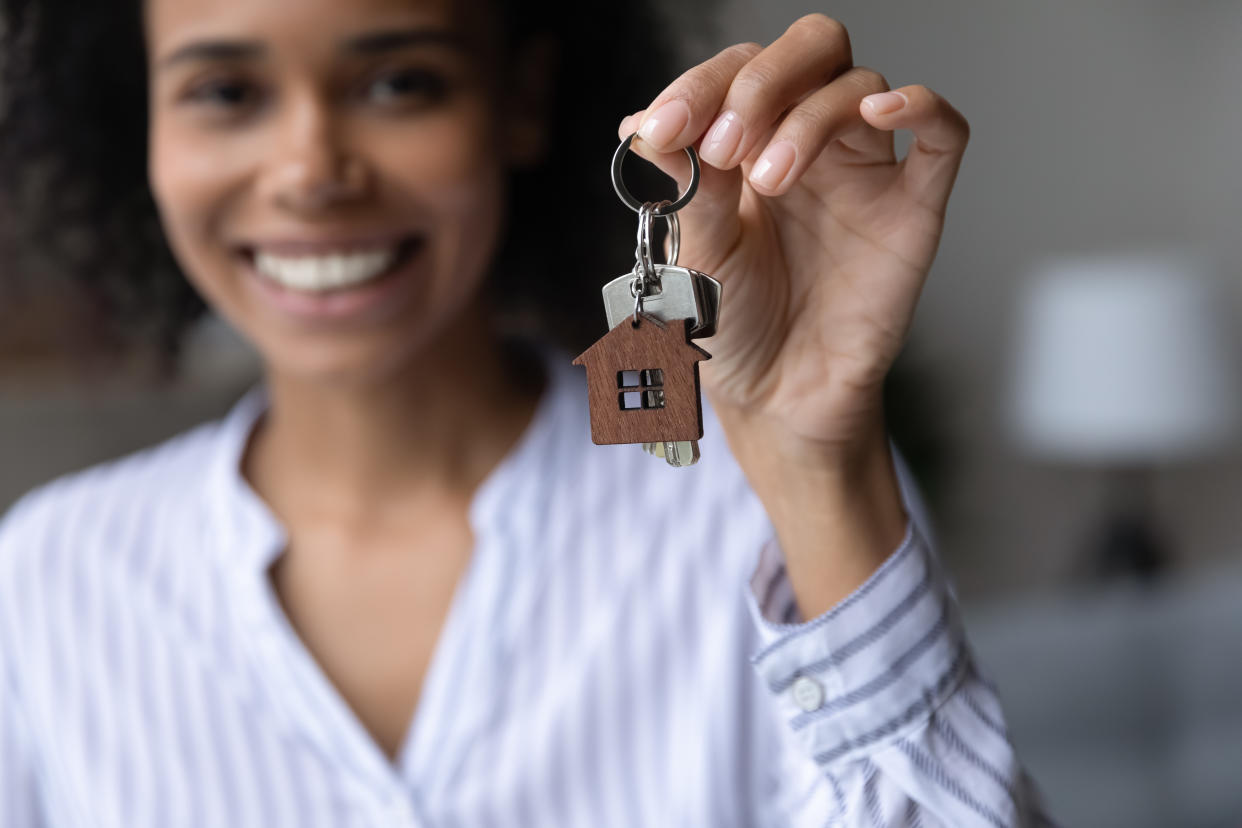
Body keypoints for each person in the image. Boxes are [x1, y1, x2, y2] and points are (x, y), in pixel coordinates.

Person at [0, 0, 1053, 824]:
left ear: (522, 99)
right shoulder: (48, 578)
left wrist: (818, 465)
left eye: (400, 82)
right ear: (137, 116)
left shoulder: (769, 516)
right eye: (226, 92)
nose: (312, 171)